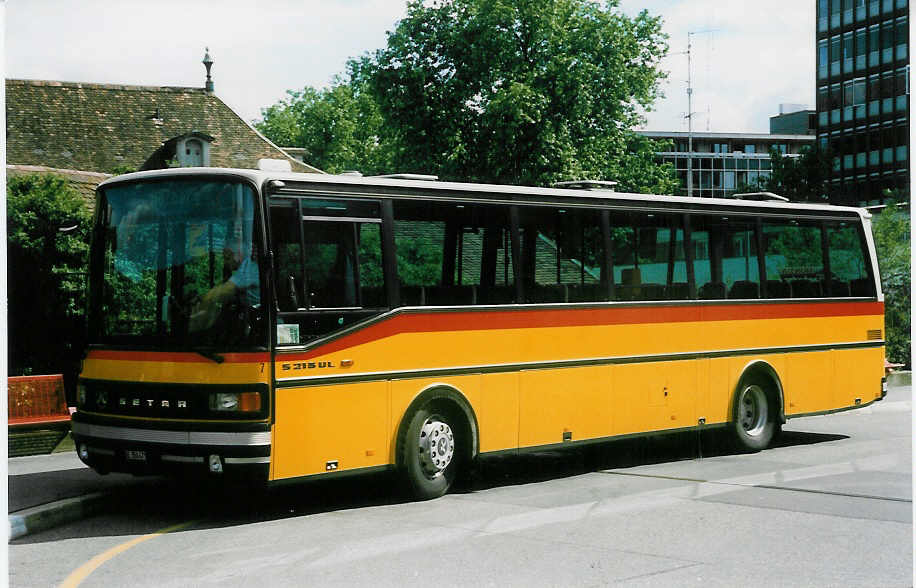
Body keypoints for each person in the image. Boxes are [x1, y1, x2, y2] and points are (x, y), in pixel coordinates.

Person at [189, 245, 259, 332]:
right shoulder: (240, 272)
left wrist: (193, 321)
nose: (226, 262)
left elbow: (220, 293)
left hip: (256, 323)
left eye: (227, 258)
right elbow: (221, 289)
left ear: (238, 254)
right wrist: (201, 298)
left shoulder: (249, 268)